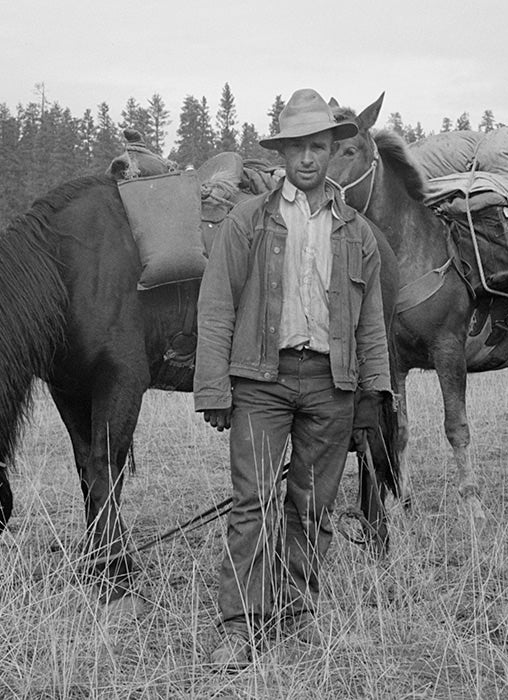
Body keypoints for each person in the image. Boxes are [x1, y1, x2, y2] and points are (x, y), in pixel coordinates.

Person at [193, 88, 391, 669]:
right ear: (280, 153)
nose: (307, 158)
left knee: (313, 506)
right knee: (253, 501)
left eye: (318, 147)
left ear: (334, 151)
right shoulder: (247, 221)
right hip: (262, 380)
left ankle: (297, 611)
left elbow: (372, 323)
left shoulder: (357, 233)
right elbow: (217, 304)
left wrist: (373, 395)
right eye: (296, 147)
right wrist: (214, 387)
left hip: (332, 385)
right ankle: (239, 624)